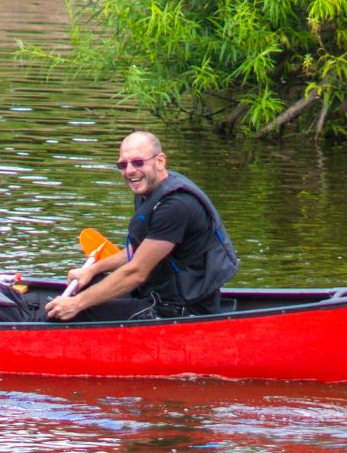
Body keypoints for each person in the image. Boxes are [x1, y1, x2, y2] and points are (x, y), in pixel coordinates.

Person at [43, 130, 239, 322]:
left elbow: (136, 272)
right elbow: (138, 250)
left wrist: (76, 303)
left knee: (73, 312)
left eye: (138, 162)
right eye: (122, 164)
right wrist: (92, 270)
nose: (129, 171)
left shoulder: (175, 206)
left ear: (160, 161)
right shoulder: (149, 191)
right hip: (158, 294)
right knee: (88, 287)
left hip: (180, 310)